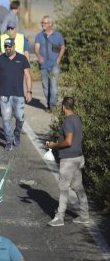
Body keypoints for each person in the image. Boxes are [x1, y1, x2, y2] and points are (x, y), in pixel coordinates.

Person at [46, 97, 89, 226]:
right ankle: (84, 215)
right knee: (78, 187)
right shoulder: (77, 119)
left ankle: (60, 218)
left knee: (63, 188)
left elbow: (68, 141)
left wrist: (54, 145)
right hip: (78, 157)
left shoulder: (68, 122)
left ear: (64, 106)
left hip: (69, 160)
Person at [0, 38, 32, 151]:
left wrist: (29, 91)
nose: (8, 48)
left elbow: (28, 76)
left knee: (20, 118)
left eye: (9, 46)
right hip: (4, 96)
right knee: (6, 119)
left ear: (14, 46)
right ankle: (8, 140)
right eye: (6, 46)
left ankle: (16, 134)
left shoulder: (22, 59)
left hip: (19, 94)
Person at [34, 16, 66, 110]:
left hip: (54, 64)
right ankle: (49, 104)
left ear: (50, 24)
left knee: (53, 85)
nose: (42, 24)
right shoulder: (39, 36)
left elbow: (63, 47)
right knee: (45, 87)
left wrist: (59, 57)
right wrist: (39, 56)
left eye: (44, 23)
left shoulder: (58, 35)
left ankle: (53, 104)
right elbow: (36, 48)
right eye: (42, 23)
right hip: (43, 65)